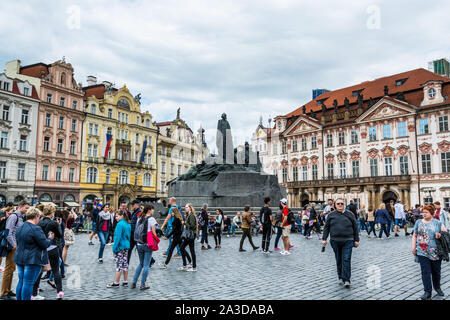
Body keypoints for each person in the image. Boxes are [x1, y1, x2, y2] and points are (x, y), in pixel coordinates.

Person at [14, 207, 53, 300]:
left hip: (20, 258)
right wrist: (50, 238)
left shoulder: (20, 227)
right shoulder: (36, 229)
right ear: (36, 216)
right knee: (28, 283)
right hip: (32, 259)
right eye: (39, 217)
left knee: (21, 282)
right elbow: (45, 244)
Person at [412, 204, 447, 300]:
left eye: (426, 212)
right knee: (425, 272)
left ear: (431, 213)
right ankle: (427, 292)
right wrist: (413, 247)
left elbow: (446, 234)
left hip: (435, 252)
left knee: (436, 272)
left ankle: (437, 287)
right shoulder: (418, 222)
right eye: (422, 212)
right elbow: (414, 235)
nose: (423, 214)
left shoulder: (438, 223)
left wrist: (440, 235)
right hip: (422, 251)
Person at [322, 198, 359, 288]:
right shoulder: (331, 215)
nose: (340, 205)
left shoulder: (350, 214)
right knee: (339, 259)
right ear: (335, 205)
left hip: (348, 240)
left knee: (346, 259)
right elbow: (326, 228)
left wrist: (356, 240)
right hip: (335, 240)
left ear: (344, 205)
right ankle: (340, 277)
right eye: (338, 203)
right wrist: (324, 239)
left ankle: (347, 279)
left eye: (342, 203)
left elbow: (355, 227)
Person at [32, 204, 64, 299]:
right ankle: (59, 292)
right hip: (52, 247)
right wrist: (58, 225)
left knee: (39, 271)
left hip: (42, 248)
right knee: (55, 270)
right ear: (52, 213)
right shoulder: (54, 223)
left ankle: (34, 293)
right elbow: (60, 235)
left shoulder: (39, 223)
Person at [1, 200, 30, 300]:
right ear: (20, 206)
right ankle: (4, 292)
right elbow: (8, 232)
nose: (27, 210)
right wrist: (14, 245)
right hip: (12, 246)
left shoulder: (20, 217)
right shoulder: (14, 216)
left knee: (12, 269)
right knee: (8, 269)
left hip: (16, 246)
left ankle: (8, 290)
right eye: (26, 208)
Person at [132, 205, 158, 290]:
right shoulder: (151, 219)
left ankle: (134, 282)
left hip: (139, 244)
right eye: (152, 209)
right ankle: (142, 285)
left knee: (141, 263)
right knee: (146, 265)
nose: (153, 211)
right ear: (149, 210)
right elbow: (154, 233)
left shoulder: (140, 218)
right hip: (147, 244)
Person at [107, 210, 131, 288]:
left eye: (117, 216)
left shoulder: (119, 224)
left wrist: (114, 248)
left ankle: (116, 282)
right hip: (126, 246)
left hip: (120, 246)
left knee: (119, 264)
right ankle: (125, 281)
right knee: (125, 263)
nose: (116, 218)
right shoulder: (127, 224)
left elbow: (117, 238)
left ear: (121, 216)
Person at [179, 203, 197, 272]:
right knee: (185, 249)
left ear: (190, 208)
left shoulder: (191, 216)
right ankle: (189, 265)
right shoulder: (189, 215)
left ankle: (190, 266)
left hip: (190, 235)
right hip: (190, 235)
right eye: (185, 207)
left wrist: (184, 223)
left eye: (186, 207)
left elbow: (192, 226)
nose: (185, 208)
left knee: (184, 248)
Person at [127, 200, 142, 264]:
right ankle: (126, 263)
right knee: (129, 249)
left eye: (133, 205)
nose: (132, 206)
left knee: (139, 250)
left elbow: (139, 223)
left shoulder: (139, 212)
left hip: (136, 234)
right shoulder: (134, 212)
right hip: (132, 234)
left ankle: (149, 261)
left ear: (137, 205)